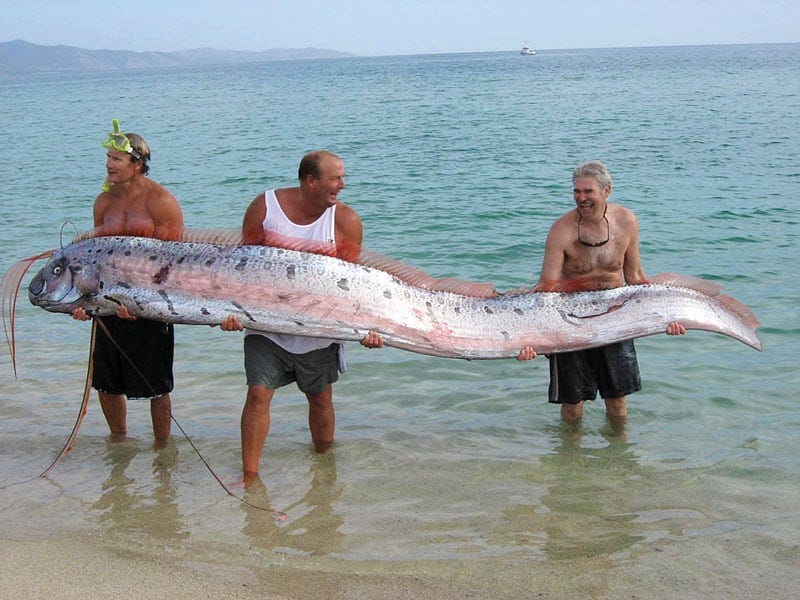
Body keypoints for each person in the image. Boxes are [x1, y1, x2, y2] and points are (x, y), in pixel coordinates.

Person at [220, 150, 383, 481]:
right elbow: (242, 268)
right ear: (311, 180)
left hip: (319, 330)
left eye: (343, 177)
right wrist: (230, 312)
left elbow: (352, 285)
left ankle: (325, 470)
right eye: (335, 178)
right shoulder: (264, 208)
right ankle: (249, 477)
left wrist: (369, 329)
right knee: (257, 394)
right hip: (266, 327)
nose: (342, 185)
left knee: (320, 399)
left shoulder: (345, 221)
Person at [517, 160, 685, 422]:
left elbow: (636, 278)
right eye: (576, 192)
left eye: (588, 192)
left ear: (607, 191)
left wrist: (668, 316)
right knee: (573, 405)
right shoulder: (561, 230)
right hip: (570, 320)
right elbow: (547, 290)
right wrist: (531, 339)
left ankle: (622, 458)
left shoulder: (626, 221)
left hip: (615, 317)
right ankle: (568, 460)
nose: (581, 198)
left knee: (617, 401)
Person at [72, 119, 184, 443]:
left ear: (137, 164)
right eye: (107, 158)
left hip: (148, 304)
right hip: (107, 303)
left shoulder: (159, 200)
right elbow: (96, 260)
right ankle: (118, 442)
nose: (108, 164)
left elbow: (173, 263)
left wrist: (139, 303)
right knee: (106, 382)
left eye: (116, 159)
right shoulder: (103, 202)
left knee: (157, 386)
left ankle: (162, 448)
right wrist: (84, 303)